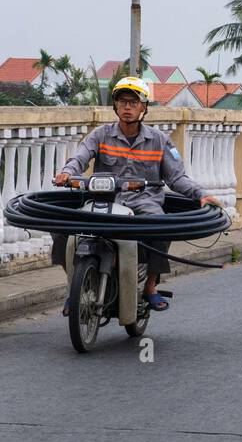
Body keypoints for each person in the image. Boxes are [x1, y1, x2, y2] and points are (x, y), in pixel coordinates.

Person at [53, 76, 220, 311]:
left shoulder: (160, 141)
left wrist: (200, 194)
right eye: (122, 102)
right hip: (104, 201)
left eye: (133, 102)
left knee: (161, 227)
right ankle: (75, 287)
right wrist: (67, 173)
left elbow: (176, 177)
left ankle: (150, 286)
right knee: (60, 231)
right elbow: (80, 156)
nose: (127, 107)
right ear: (115, 106)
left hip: (145, 202)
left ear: (144, 107)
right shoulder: (100, 135)